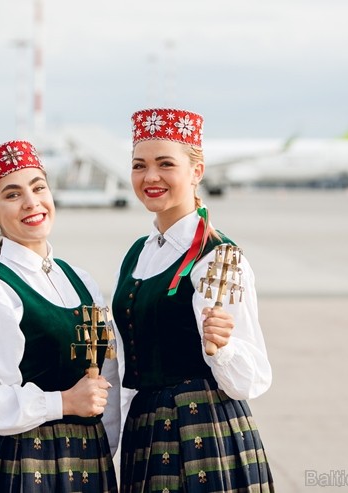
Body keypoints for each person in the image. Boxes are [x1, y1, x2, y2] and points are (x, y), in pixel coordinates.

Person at [113, 109, 274, 492]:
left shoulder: (218, 256)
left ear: (196, 171)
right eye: (139, 166)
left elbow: (253, 378)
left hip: (202, 426)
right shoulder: (139, 252)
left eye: (165, 164)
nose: (150, 177)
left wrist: (223, 348)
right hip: (144, 428)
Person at [0, 140, 120, 493]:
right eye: (12, 195)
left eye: (38, 187)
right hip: (19, 461)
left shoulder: (81, 279)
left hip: (87, 459)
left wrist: (104, 449)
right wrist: (63, 402)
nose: (31, 202)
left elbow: (106, 377)